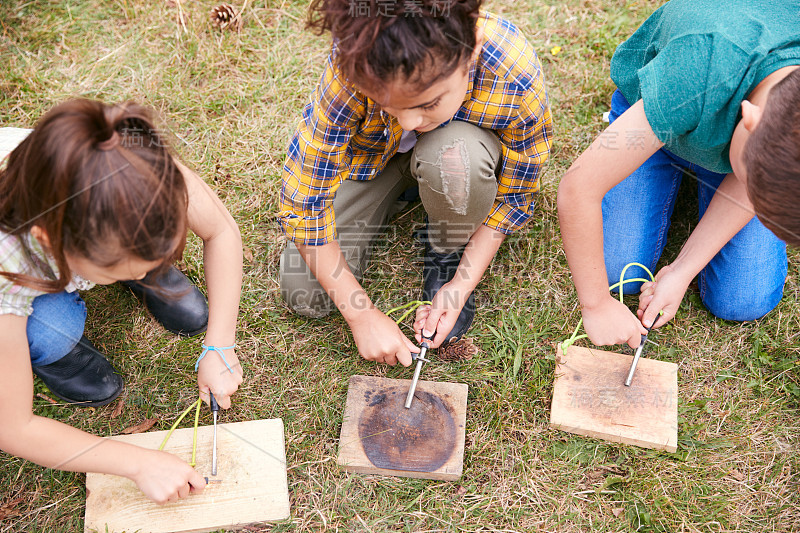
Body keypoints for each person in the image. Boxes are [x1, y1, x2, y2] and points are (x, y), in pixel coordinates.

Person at [278, 0, 552, 366]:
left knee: (456, 162)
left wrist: (461, 285)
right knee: (307, 294)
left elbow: (515, 197)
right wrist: (360, 313)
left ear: (468, 55)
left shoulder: (512, 70)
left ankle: (448, 242)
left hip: (458, 158)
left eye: (428, 103)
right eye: (389, 105)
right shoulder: (355, 61)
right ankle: (410, 192)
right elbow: (304, 202)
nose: (408, 123)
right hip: (373, 162)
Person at [0, 99, 244, 504]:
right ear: (52, 242)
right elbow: (13, 427)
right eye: (121, 269)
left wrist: (220, 343)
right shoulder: (8, 267)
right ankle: (56, 340)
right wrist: (136, 462)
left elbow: (221, 231)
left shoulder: (130, 162)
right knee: (55, 333)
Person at [557, 0, 800, 349]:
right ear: (749, 118)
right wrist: (595, 304)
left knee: (743, 299)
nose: (744, 192)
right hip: (664, 114)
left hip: (725, 121)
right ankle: (669, 151)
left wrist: (682, 270)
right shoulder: (697, 68)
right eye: (747, 181)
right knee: (616, 272)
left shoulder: (774, 132)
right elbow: (578, 188)